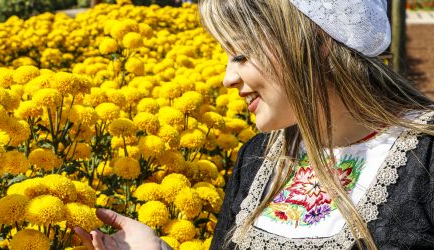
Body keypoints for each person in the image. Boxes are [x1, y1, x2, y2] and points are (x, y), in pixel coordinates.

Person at [74, 0, 434, 249]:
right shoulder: (258, 157)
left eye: (242, 54)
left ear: (319, 40)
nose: (228, 77)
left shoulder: (426, 158)